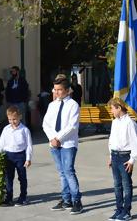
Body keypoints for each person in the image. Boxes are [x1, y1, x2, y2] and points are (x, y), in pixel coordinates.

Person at [42, 77, 83, 215]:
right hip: (54, 143)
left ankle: (77, 200)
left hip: (68, 143)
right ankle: (66, 200)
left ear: (67, 90)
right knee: (61, 172)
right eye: (55, 89)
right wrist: (52, 138)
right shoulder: (52, 105)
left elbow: (72, 126)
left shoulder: (73, 105)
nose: (57, 92)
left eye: (60, 90)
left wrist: (59, 138)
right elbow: (46, 124)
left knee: (69, 171)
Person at [107, 97, 137, 221]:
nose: (111, 112)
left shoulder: (130, 123)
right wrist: (111, 156)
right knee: (117, 185)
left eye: (112, 109)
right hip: (115, 155)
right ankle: (119, 209)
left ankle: (127, 211)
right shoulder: (115, 122)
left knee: (126, 184)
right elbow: (111, 140)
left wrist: (132, 160)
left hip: (125, 157)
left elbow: (134, 143)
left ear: (119, 108)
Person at [0, 106, 33, 206]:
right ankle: (9, 197)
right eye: (10, 119)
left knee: (22, 177)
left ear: (20, 117)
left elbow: (29, 145)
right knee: (8, 177)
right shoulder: (6, 129)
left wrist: (28, 158)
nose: (12, 121)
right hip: (8, 156)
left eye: (14, 119)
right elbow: (1, 143)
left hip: (20, 156)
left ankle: (23, 197)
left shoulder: (24, 130)